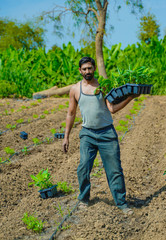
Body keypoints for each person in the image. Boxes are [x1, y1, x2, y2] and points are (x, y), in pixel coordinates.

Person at [63, 56, 139, 214]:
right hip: (87, 134)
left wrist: (130, 98)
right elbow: (71, 113)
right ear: (80, 71)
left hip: (106, 133)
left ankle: (121, 203)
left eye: (90, 68)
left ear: (94, 69)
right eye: (84, 69)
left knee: (115, 170)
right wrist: (66, 136)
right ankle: (84, 198)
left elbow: (112, 108)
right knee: (83, 167)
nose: (87, 71)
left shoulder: (103, 86)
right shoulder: (75, 89)